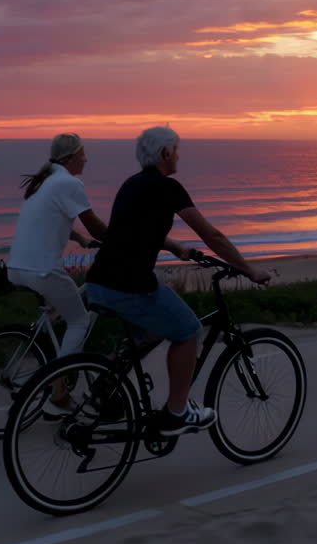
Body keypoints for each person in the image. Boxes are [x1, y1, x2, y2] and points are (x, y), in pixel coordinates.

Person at [85, 126, 271, 436]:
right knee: (188, 331)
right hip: (129, 287)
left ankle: (109, 373)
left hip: (99, 282)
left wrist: (174, 247)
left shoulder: (131, 185)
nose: (179, 155)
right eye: (177, 149)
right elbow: (211, 234)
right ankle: (176, 412)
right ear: (165, 153)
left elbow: (137, 231)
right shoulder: (169, 188)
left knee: (153, 332)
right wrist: (249, 269)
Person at [7, 133, 108, 418]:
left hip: (18, 266)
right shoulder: (70, 182)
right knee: (80, 319)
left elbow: (53, 216)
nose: (86, 159)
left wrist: (78, 238)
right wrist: (120, 241)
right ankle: (59, 394)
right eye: (83, 153)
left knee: (60, 308)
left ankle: (45, 350)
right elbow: (97, 226)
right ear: (70, 157)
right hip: (42, 269)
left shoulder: (46, 182)